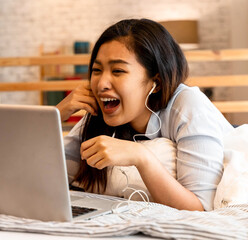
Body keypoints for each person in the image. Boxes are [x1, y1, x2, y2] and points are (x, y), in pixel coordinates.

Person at [56, 19, 234, 211]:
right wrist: (55, 115)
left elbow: (200, 209)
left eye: (118, 71)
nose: (101, 84)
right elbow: (43, 172)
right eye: (97, 70)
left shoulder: (188, 106)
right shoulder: (99, 112)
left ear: (155, 82)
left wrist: (141, 157)